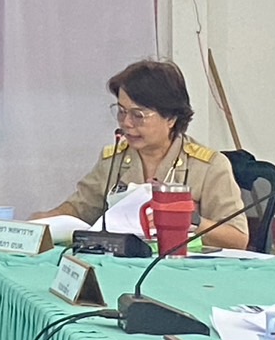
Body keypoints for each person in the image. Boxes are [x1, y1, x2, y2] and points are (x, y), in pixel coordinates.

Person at [30, 59, 248, 250]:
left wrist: (189, 218)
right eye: (121, 111)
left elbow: (238, 238)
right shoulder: (113, 160)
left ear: (171, 118)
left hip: (183, 271)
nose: (126, 123)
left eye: (138, 115)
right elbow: (79, 209)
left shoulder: (209, 167)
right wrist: (40, 223)